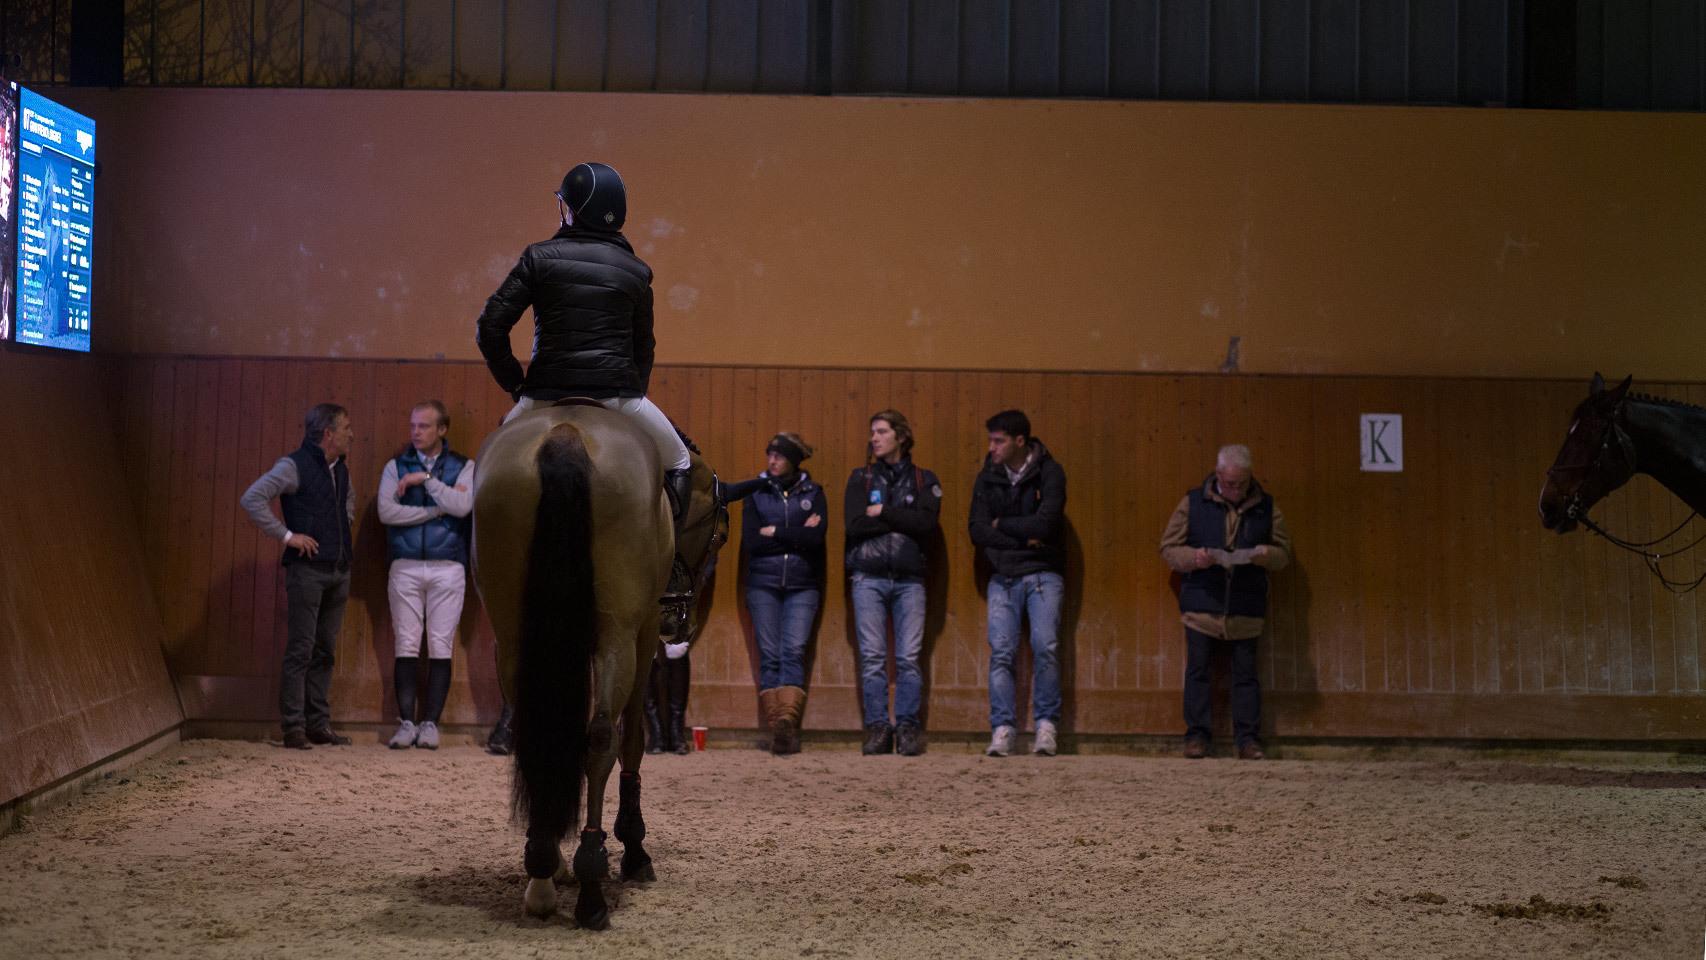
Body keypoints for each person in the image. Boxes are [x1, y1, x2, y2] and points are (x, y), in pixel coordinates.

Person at [473, 161, 698, 627]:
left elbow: (491, 327)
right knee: (680, 463)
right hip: (617, 394)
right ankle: (672, 574)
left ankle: (483, 564)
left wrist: (517, 385)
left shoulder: (539, 257)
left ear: (572, 211)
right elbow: (644, 348)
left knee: (491, 463)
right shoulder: (637, 271)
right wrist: (630, 395)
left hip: (543, 396)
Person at [1158, 444, 1292, 760]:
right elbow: (1168, 548)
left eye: (1241, 484)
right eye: (1230, 483)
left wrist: (1266, 555)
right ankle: (1197, 737)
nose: (1235, 489)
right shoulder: (1192, 503)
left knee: (1246, 676)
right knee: (1198, 672)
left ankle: (1247, 740)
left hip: (1246, 607)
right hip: (1202, 604)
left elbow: (1284, 554)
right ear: (1218, 475)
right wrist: (1195, 558)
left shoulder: (1267, 507)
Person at [239, 403, 357, 750]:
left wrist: (342, 529)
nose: (352, 433)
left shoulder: (341, 469)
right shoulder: (293, 466)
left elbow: (347, 504)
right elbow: (253, 498)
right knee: (301, 650)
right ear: (328, 434)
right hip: (307, 571)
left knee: (324, 651)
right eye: (346, 427)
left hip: (337, 568)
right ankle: (294, 727)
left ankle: (318, 724)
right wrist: (288, 536)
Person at [376, 400, 475, 751]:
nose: (416, 432)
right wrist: (436, 510)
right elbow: (387, 512)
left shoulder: (464, 466)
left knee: (440, 645)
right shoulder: (395, 466)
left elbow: (464, 507)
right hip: (404, 564)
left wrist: (426, 480)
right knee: (405, 642)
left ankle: (430, 723)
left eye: (424, 426)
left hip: (448, 565)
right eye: (413, 425)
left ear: (442, 430)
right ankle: (406, 722)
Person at [967, 410, 1067, 758]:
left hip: (1043, 573)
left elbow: (1047, 525)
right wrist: (1020, 540)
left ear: (1020, 441)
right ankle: (1003, 728)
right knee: (1002, 653)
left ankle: (1046, 726)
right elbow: (977, 530)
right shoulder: (988, 477)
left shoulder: (1050, 473)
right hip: (1004, 574)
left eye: (999, 441)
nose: (992, 447)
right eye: (991, 440)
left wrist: (1002, 526)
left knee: (1046, 648)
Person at [844, 410, 941, 757]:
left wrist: (883, 512)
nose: (874, 438)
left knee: (908, 658)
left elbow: (927, 524)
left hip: (910, 579)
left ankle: (908, 727)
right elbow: (854, 525)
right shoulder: (861, 478)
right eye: (872, 432)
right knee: (872, 658)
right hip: (868, 576)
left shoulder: (923, 479)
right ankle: (878, 728)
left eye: (882, 431)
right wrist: (903, 520)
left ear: (900, 436)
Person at [723, 433, 827, 754]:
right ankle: (778, 728)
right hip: (762, 584)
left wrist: (777, 532)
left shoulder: (814, 492)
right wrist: (797, 533)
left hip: (803, 584)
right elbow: (754, 542)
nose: (772, 461)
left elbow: (816, 539)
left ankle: (787, 725)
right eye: (769, 455)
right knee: (770, 654)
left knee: (793, 651)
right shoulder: (757, 492)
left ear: (793, 460)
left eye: (779, 456)